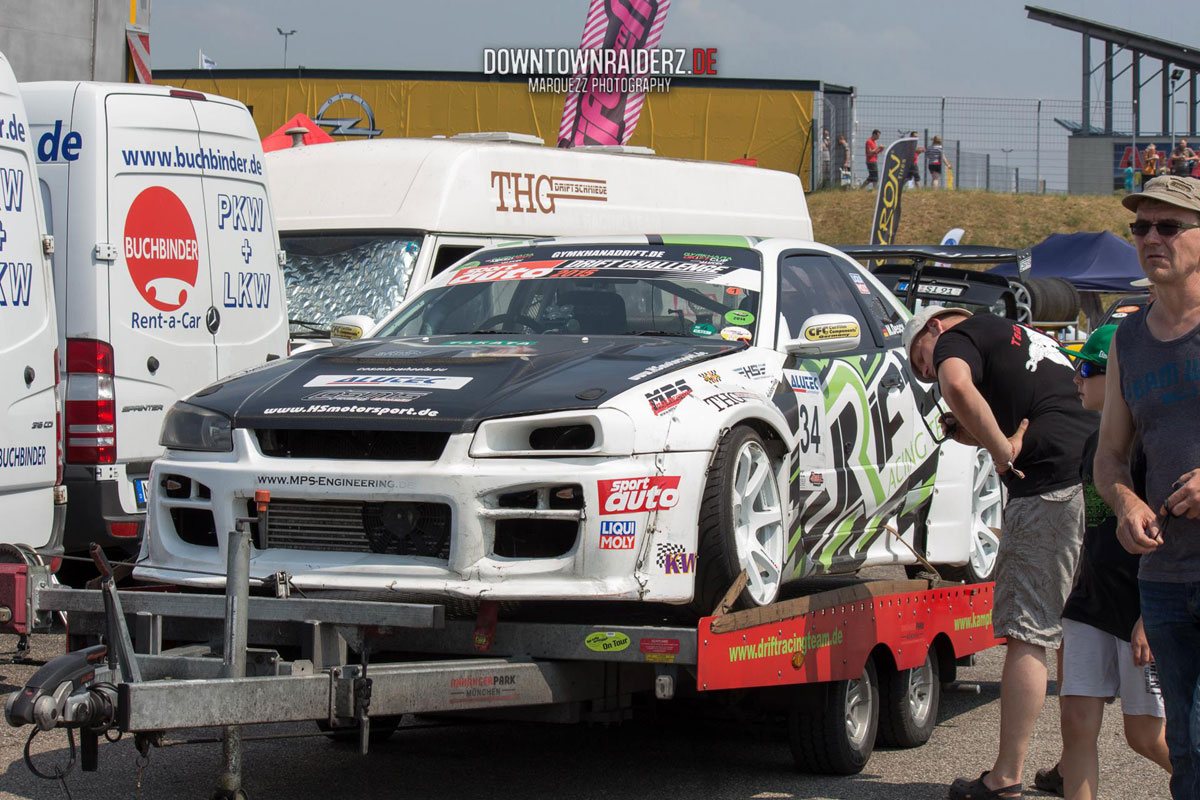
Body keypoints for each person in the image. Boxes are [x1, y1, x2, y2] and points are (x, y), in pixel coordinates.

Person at [904, 306, 1095, 800]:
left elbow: (957, 386)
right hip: (1093, 481)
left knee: (1026, 631)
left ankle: (1006, 776)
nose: (926, 375)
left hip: (1047, 487)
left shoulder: (954, 338)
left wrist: (1001, 451)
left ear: (933, 328)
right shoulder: (1018, 334)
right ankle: (1074, 766)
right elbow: (1020, 403)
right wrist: (979, 431)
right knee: (1075, 628)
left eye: (919, 361)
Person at [1032, 325, 1171, 800]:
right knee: (1076, 725)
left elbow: (1169, 539)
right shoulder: (1096, 446)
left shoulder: (1150, 447)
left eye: (1087, 368)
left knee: (1144, 735)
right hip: (1090, 603)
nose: (1076, 378)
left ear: (1119, 377)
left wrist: (1149, 618)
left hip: (1140, 606)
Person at [1095, 174, 1200, 799]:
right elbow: (1109, 455)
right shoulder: (1129, 338)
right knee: (1182, 747)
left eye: (1168, 226)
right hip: (1163, 579)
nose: (1150, 238)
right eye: (1140, 227)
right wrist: (1126, 500)